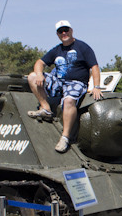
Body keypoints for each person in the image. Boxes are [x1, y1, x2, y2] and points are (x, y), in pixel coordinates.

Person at [27, 20, 102, 153]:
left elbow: (94, 66)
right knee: (32, 77)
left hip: (76, 83)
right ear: (57, 34)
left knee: (68, 101)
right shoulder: (57, 50)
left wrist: (96, 86)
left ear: (71, 30)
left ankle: (65, 137)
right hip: (59, 81)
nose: (64, 33)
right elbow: (40, 62)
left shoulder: (82, 47)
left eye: (66, 30)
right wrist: (39, 74)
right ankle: (46, 108)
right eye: (60, 31)